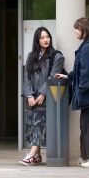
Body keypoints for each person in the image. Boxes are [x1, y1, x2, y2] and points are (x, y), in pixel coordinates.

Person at [55, 17, 89, 168]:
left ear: (84, 29)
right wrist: (68, 76)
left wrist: (81, 89)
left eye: (76, 29)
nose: (75, 32)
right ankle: (86, 157)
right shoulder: (87, 46)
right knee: (85, 124)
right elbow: (80, 69)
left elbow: (88, 73)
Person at [20, 27, 64, 166]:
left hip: (47, 98)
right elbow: (26, 77)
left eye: (48, 37)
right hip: (32, 98)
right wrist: (29, 95)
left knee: (39, 125)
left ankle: (31, 154)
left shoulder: (57, 56)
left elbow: (53, 76)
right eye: (42, 37)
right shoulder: (31, 56)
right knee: (31, 126)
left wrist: (43, 94)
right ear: (37, 40)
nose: (46, 40)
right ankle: (37, 157)